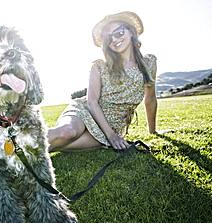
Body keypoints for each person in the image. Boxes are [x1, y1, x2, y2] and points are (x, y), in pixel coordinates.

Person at [48, 11, 157, 152]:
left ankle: (16, 154)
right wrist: (111, 136)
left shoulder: (149, 63)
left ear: (130, 32)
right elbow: (92, 102)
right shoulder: (99, 66)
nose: (115, 40)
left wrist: (153, 132)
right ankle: (14, 140)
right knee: (67, 132)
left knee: (58, 146)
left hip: (112, 125)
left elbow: (150, 98)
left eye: (119, 33)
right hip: (85, 112)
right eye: (108, 38)